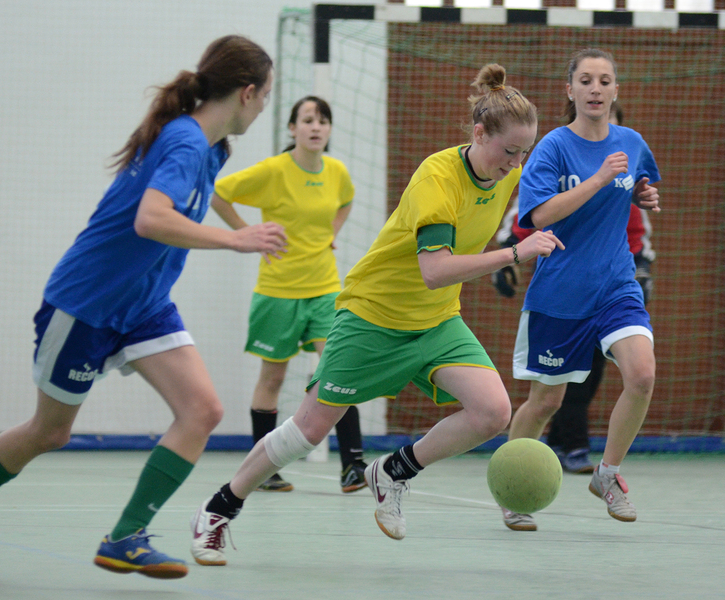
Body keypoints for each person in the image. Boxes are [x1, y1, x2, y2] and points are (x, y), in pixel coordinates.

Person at [0, 35, 286, 580]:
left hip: (144, 306)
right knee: (50, 432)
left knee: (202, 411)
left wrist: (236, 234)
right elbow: (151, 219)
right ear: (246, 92)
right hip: (86, 304)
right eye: (265, 96)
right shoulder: (186, 142)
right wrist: (235, 240)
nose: (263, 107)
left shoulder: (213, 150)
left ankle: (126, 537)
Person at [188, 63, 563, 566]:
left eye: (525, 152)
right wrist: (514, 254)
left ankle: (393, 472)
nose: (517, 163)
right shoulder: (437, 178)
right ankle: (218, 508)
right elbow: (435, 270)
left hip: (435, 321)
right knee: (309, 429)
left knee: (493, 412)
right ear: (479, 134)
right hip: (374, 316)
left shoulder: (505, 174)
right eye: (510, 151)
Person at [502, 48, 660, 532]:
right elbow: (538, 216)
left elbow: (639, 184)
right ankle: (511, 489)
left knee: (642, 375)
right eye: (586, 80)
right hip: (561, 293)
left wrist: (643, 194)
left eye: (605, 80)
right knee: (545, 402)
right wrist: (599, 179)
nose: (595, 89)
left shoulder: (632, 143)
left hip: (616, 284)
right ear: (569, 90)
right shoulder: (553, 146)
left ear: (616, 90)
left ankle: (607, 474)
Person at [211, 95, 367, 494]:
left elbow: (346, 201)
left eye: (323, 120)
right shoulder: (273, 170)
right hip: (278, 291)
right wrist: (247, 234)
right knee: (273, 376)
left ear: (329, 130)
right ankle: (264, 470)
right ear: (293, 128)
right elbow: (218, 193)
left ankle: (353, 465)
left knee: (338, 368)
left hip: (325, 288)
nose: (316, 127)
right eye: (308, 120)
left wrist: (331, 232)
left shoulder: (336, 172)